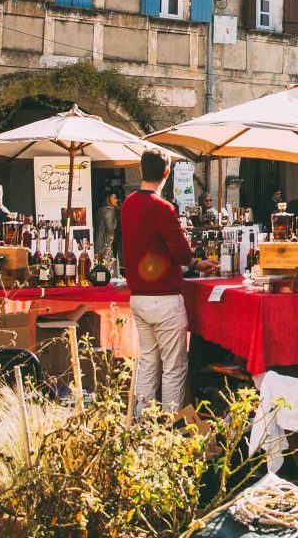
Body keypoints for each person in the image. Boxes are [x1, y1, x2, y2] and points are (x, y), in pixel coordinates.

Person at [119, 150, 211, 413]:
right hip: (164, 297)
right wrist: (195, 262)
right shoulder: (163, 207)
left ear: (140, 170)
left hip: (139, 297)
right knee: (174, 366)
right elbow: (181, 250)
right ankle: (170, 428)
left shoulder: (128, 204)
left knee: (148, 362)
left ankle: (140, 424)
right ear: (167, 174)